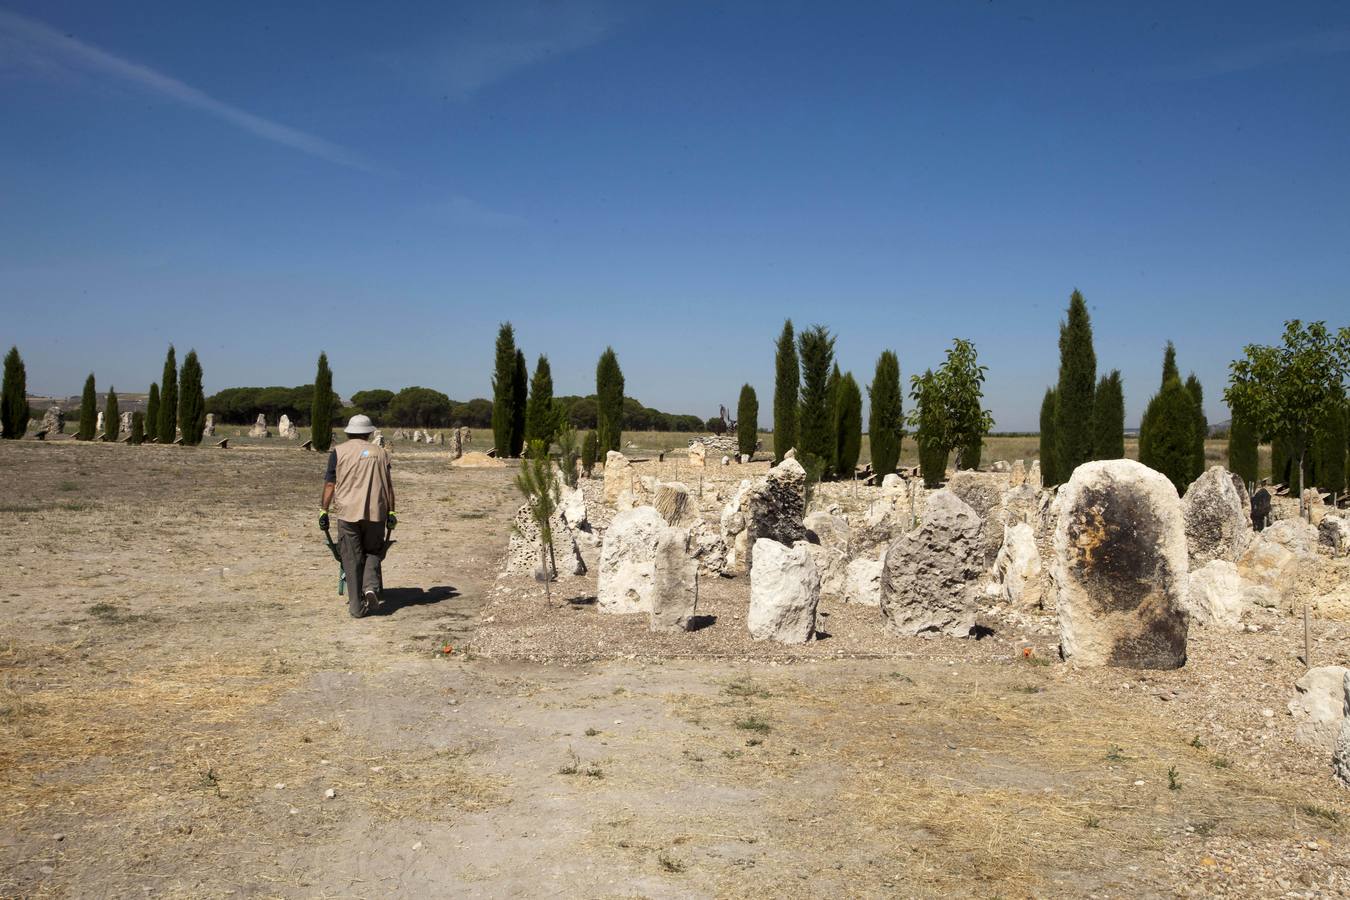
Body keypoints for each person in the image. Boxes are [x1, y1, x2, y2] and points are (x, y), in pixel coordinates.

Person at [319, 414, 397, 617]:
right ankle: (370, 586)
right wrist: (391, 511)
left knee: (351, 558)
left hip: (347, 512)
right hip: (375, 512)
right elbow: (388, 486)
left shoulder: (338, 452)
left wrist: (323, 510)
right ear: (369, 433)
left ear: (348, 432)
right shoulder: (381, 453)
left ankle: (356, 607)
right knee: (374, 550)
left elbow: (330, 484)